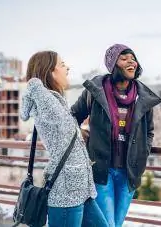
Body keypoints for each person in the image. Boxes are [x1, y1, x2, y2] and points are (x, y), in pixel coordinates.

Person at [71, 44, 161, 227]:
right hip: (102, 170)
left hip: (129, 172)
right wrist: (80, 132)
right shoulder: (95, 91)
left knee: (116, 224)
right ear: (113, 65)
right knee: (108, 225)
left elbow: (149, 131)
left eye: (133, 58)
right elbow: (71, 117)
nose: (131, 62)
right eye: (124, 58)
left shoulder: (143, 97)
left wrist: (142, 152)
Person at [20, 51, 108, 227]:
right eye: (62, 64)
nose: (67, 67)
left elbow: (64, 131)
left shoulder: (55, 99)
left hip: (81, 190)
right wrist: (35, 83)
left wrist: (79, 133)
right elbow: (60, 120)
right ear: (50, 71)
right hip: (65, 193)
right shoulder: (45, 102)